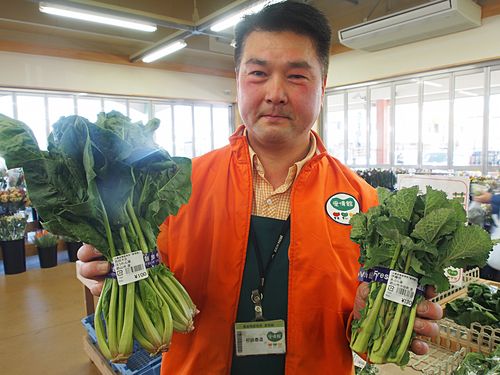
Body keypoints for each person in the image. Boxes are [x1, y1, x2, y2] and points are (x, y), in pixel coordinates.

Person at [77, 2, 442, 374]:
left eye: (297, 76)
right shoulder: (175, 187)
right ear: (237, 79)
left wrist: (381, 318)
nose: (275, 93)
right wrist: (105, 275)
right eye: (258, 73)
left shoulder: (366, 203)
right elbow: (146, 287)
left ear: (323, 85)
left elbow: (353, 326)